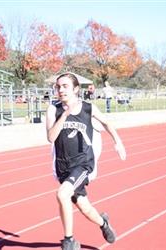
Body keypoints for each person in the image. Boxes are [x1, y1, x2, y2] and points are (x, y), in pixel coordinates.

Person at [46, 73, 126, 250]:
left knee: (62, 194)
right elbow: (51, 137)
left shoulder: (88, 108)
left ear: (76, 89)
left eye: (65, 86)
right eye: (58, 86)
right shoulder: (53, 109)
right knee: (84, 207)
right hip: (63, 166)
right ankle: (103, 222)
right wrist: (65, 115)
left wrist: (118, 141)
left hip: (82, 164)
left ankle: (69, 241)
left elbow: (106, 123)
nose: (60, 90)